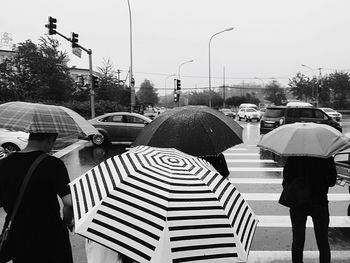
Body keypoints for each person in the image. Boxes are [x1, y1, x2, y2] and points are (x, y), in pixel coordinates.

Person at [0, 132, 74, 263]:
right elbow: (68, 202)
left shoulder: (4, 164)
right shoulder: (53, 164)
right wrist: (67, 221)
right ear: (50, 140)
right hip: (50, 233)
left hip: (19, 234)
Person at [282, 156, 337, 263]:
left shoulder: (295, 155)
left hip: (298, 202)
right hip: (319, 202)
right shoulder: (325, 156)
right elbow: (332, 181)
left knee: (298, 240)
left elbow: (287, 176)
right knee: (323, 242)